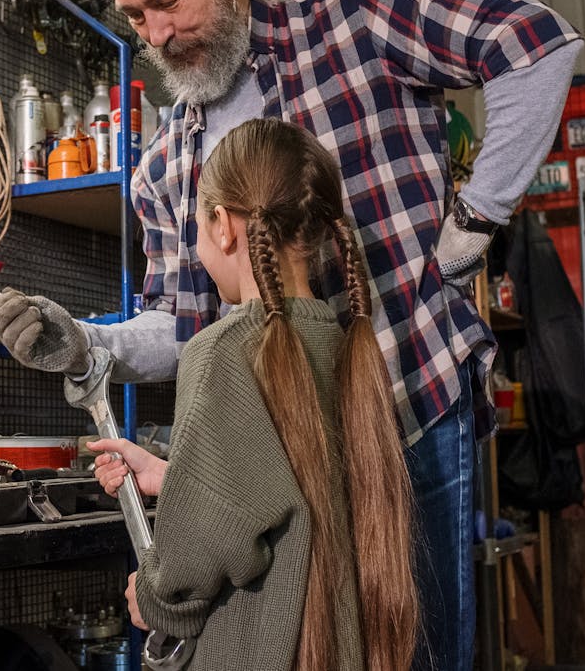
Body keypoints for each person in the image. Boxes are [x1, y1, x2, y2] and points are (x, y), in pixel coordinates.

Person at [0, 0, 584, 670]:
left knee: (426, 651)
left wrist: (473, 219)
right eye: (136, 17)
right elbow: (178, 323)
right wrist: (88, 343)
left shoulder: (356, 25)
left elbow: (536, 43)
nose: (158, 33)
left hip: (409, 419)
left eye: (169, 1)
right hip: (288, 457)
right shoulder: (166, 162)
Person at [91, 117, 417, 671]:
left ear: (223, 226)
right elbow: (291, 496)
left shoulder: (221, 351)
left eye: (196, 223)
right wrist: (176, 475)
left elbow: (200, 554)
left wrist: (153, 595)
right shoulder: (348, 348)